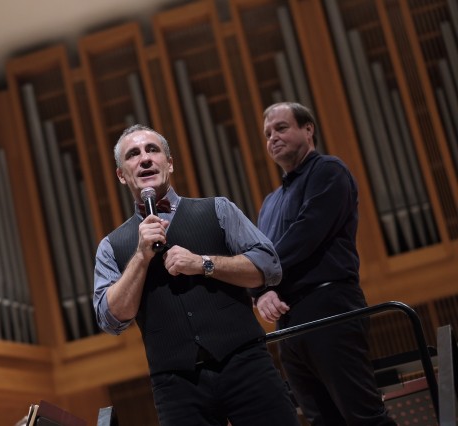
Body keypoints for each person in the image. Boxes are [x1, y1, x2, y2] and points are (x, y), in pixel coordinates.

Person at [93, 124, 299, 425]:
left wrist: (204, 263)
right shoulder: (110, 246)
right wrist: (140, 257)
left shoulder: (218, 209)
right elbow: (111, 320)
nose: (145, 158)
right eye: (133, 154)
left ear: (169, 163)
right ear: (122, 175)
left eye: (152, 150)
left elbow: (269, 267)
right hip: (176, 387)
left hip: (246, 365)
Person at [253, 102, 396, 425]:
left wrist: (258, 277)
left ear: (308, 129)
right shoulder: (270, 203)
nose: (273, 137)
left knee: (363, 417)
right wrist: (261, 293)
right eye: (267, 134)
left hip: (329, 307)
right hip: (288, 322)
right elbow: (260, 252)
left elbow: (305, 235)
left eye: (281, 128)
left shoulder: (328, 171)